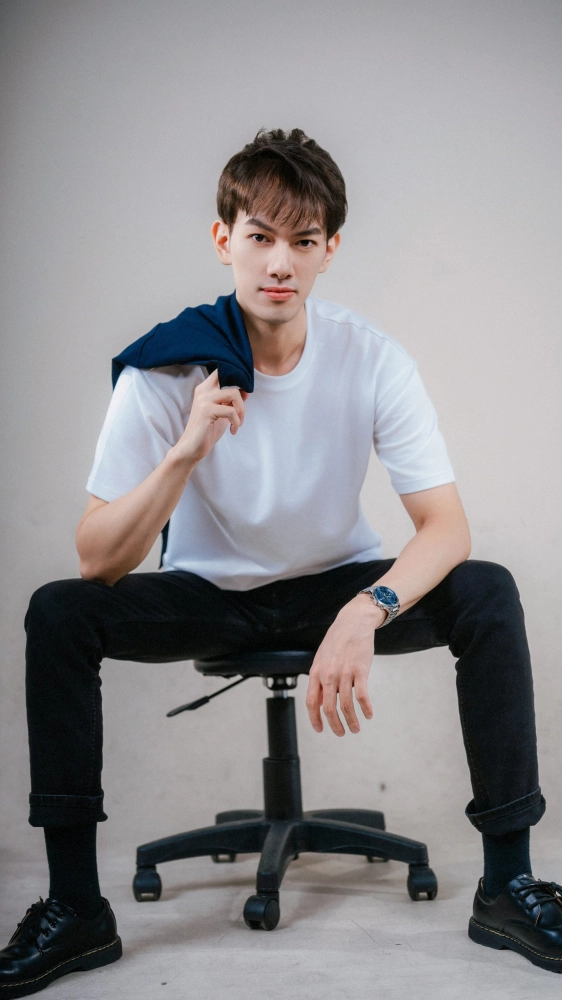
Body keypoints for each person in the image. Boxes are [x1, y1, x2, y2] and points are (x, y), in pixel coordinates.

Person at [2, 128, 561, 997]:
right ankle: (75, 907)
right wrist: (184, 453)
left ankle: (508, 887)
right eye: (260, 236)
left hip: (335, 586)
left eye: (303, 241)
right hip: (211, 592)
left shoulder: (371, 358)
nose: (279, 263)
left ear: (330, 249)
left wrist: (366, 608)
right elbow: (96, 559)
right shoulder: (169, 368)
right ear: (222, 237)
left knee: (488, 590)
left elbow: (447, 529)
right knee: (57, 612)